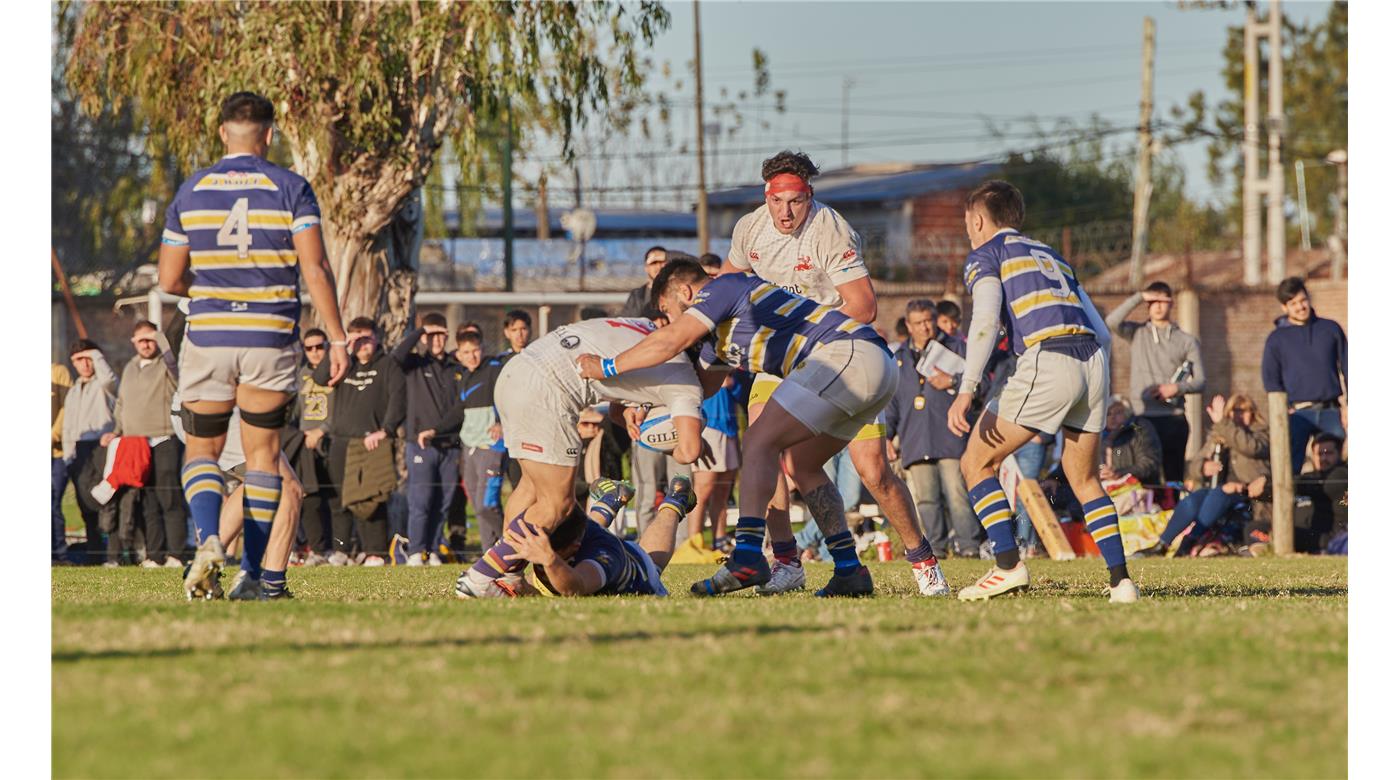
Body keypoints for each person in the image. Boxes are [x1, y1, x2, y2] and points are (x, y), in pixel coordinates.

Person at [577, 257, 952, 598]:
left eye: (666, 310)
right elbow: (698, 391)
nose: (666, 321)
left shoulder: (721, 287)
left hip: (846, 355)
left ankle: (747, 557)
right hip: (868, 365)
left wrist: (607, 367)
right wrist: (635, 405)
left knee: (759, 440)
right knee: (801, 466)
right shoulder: (716, 341)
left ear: (686, 292)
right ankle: (850, 570)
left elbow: (671, 339)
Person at [716, 150, 944, 597]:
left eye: (795, 201)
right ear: (766, 196)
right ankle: (787, 561)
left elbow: (863, 307)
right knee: (768, 446)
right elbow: (728, 287)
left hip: (842, 356)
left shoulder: (828, 228)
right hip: (780, 361)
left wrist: (799, 326)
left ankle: (923, 560)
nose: (785, 212)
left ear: (810, 197)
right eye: (777, 201)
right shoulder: (749, 228)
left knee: (873, 471)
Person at [159, 91, 349, 599]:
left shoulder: (192, 191)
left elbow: (169, 279)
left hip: (209, 335)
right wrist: (336, 337)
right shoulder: (290, 187)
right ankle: (252, 575)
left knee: (202, 450)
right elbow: (316, 268)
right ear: (270, 134)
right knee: (263, 457)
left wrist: (214, 290)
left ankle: (206, 541)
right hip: (269, 335)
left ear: (223, 133)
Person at [947, 179, 1138, 602]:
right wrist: (1095, 385)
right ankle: (1121, 582)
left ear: (977, 219)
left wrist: (967, 388)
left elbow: (983, 321)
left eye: (967, 223)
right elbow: (1102, 331)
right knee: (1084, 478)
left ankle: (1007, 567)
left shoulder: (987, 253)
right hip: (1092, 359)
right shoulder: (1051, 254)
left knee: (976, 461)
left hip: (1048, 357)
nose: (968, 230)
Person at [454, 314, 710, 598]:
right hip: (547, 390)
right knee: (560, 506)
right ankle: (481, 577)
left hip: (515, 374)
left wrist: (548, 560)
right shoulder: (679, 375)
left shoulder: (646, 327)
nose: (530, 550)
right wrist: (549, 558)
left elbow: (575, 585)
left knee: (533, 489)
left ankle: (657, 501)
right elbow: (688, 450)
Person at [498, 477, 697, 598]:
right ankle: (613, 497)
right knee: (588, 525)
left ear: (573, 547)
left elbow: (575, 588)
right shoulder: (555, 526)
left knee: (650, 564)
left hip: (637, 570)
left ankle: (675, 500)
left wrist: (548, 560)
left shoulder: (604, 558)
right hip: (581, 539)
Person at [887, 299, 979, 558]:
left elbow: (981, 384)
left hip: (950, 434)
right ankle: (936, 549)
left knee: (957, 494)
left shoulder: (957, 347)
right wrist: (887, 436)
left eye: (929, 321)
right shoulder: (899, 357)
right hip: (914, 437)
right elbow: (892, 400)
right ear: (908, 325)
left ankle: (968, 547)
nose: (925, 328)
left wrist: (953, 380)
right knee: (926, 499)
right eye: (918, 323)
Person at [313, 317, 404, 566]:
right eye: (357, 338)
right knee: (339, 499)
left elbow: (398, 400)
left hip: (371, 443)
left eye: (366, 338)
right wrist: (340, 346)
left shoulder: (388, 365)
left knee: (370, 499)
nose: (362, 344)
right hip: (341, 441)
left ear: (376, 338)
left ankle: (375, 552)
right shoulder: (345, 364)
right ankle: (342, 550)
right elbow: (320, 378)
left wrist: (385, 431)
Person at [1142, 393, 1269, 557]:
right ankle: (1163, 544)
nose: (1238, 415)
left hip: (1250, 493)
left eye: (1243, 411)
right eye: (1233, 411)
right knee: (1194, 500)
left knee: (1219, 493)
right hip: (1219, 492)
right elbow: (1194, 465)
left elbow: (1249, 447)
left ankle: (1188, 543)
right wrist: (1203, 467)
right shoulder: (1220, 433)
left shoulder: (1260, 433)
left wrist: (1223, 423)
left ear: (1253, 413)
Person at [1104, 281, 1205, 483]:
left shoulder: (1186, 341)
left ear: (1171, 303)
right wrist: (1140, 296)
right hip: (1142, 418)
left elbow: (1201, 381)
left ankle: (1175, 514)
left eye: (1163, 301)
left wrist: (1176, 388)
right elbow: (1111, 321)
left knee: (1173, 477)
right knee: (1143, 476)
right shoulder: (1137, 333)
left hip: (1173, 418)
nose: (1158, 306)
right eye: (1154, 301)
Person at [104, 320, 185, 568]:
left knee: (169, 498)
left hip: (164, 438)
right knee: (147, 501)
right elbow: (121, 403)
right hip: (136, 444)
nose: (146, 344)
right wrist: (115, 431)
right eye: (141, 340)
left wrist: (160, 337)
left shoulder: (167, 363)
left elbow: (174, 362)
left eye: (150, 339)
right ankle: (155, 555)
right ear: (134, 343)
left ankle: (177, 555)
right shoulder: (129, 367)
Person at [423, 328, 505, 554]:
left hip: (492, 446)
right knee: (477, 507)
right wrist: (435, 430)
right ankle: (491, 553)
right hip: (469, 447)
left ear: (482, 348)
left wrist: (501, 422)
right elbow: (459, 411)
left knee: (487, 505)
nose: (472, 356)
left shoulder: (494, 369)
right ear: (459, 354)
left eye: (475, 350)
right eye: (466, 352)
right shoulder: (465, 377)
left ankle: (512, 546)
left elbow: (507, 396)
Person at [392, 312, 465, 565]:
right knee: (421, 500)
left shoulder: (456, 369)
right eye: (431, 335)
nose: (436, 340)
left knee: (443, 502)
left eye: (440, 334)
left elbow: (461, 407)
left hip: (450, 446)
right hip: (421, 445)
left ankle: (433, 549)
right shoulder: (415, 364)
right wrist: (420, 331)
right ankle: (415, 551)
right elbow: (397, 355)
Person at [1261, 277, 1348, 474]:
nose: (1300, 307)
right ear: (1284, 308)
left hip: (1331, 411)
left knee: (1338, 472)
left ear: (1308, 298)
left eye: (1303, 300)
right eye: (1293, 304)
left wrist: (1348, 407)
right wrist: (1282, 410)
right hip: (1297, 414)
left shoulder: (1330, 329)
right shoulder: (1276, 339)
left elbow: (1349, 367)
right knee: (1291, 469)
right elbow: (1271, 380)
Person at [61, 340, 117, 565]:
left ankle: (114, 555)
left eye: (88, 358)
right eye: (78, 359)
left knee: (107, 501)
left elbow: (110, 380)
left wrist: (95, 353)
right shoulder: (74, 391)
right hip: (79, 450)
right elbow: (68, 425)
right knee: (85, 506)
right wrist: (68, 455)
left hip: (101, 446)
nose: (84, 364)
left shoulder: (105, 384)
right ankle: (94, 555)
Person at [290, 328, 334, 565]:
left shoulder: (338, 370)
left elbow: (345, 407)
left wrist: (323, 430)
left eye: (320, 347)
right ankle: (310, 547)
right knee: (310, 498)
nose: (315, 352)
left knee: (335, 498)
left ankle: (335, 548)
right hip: (306, 444)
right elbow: (295, 411)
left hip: (331, 440)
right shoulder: (301, 375)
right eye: (310, 348)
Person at [688, 371, 743, 550]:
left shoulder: (732, 365)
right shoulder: (701, 362)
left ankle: (719, 542)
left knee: (722, 491)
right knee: (702, 491)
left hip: (730, 430)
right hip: (708, 428)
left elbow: (742, 395)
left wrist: (732, 383)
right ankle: (693, 545)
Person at [1287, 432, 1347, 554]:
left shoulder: (1342, 474)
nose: (1323, 458)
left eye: (1328, 453)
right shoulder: (1308, 478)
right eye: (1319, 454)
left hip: (1333, 539)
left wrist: (1278, 485)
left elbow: (1323, 486)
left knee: (1289, 533)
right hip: (1309, 536)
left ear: (1339, 454)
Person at [52, 363, 74, 564]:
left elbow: (67, 407)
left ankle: (59, 554)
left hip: (56, 452)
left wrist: (52, 435)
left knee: (53, 503)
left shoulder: (59, 371)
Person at [622, 245, 669, 317]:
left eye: (662, 262)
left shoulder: (676, 291)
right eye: (654, 263)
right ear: (646, 267)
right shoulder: (637, 295)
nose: (659, 266)